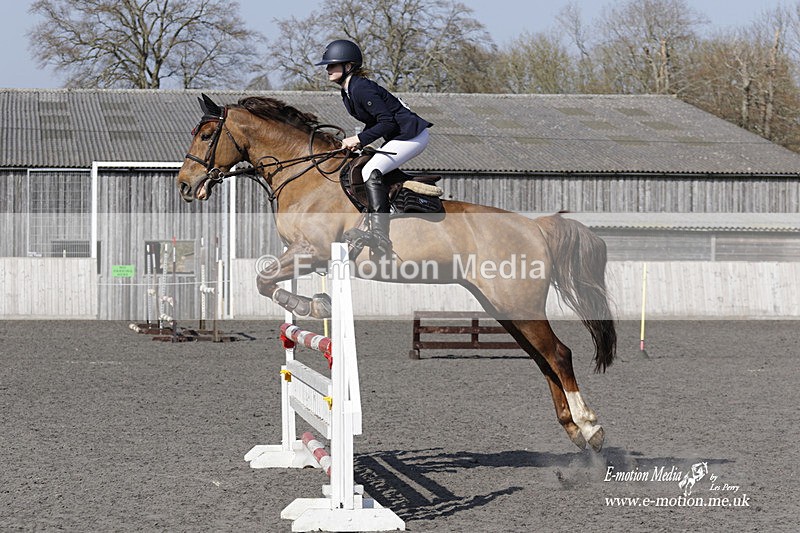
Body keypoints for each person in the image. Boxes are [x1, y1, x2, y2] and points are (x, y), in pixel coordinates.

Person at [316, 39, 432, 256]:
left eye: (333, 64)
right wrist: (358, 142)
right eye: (327, 65)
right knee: (362, 165)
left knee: (371, 171)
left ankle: (380, 234)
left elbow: (387, 122)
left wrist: (358, 139)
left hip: (412, 136)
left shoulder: (361, 88)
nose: (328, 69)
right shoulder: (348, 91)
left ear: (348, 66)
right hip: (399, 136)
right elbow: (375, 122)